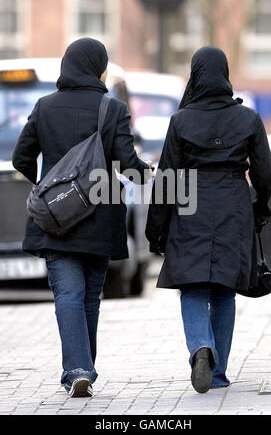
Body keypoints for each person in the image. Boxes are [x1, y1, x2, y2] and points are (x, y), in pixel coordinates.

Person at [12, 38, 153, 397]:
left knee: (68, 295)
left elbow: (21, 158)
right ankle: (81, 368)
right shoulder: (113, 108)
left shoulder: (44, 107)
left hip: (56, 220)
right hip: (100, 219)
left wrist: (49, 188)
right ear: (96, 67)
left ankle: (78, 369)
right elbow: (126, 165)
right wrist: (145, 172)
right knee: (90, 296)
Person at [145, 46, 271, 393]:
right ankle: (216, 373)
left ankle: (201, 347)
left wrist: (155, 232)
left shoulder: (181, 120)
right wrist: (260, 208)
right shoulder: (248, 119)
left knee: (193, 287)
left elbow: (166, 178)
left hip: (191, 207)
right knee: (223, 290)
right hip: (233, 204)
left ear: (196, 74)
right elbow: (265, 173)